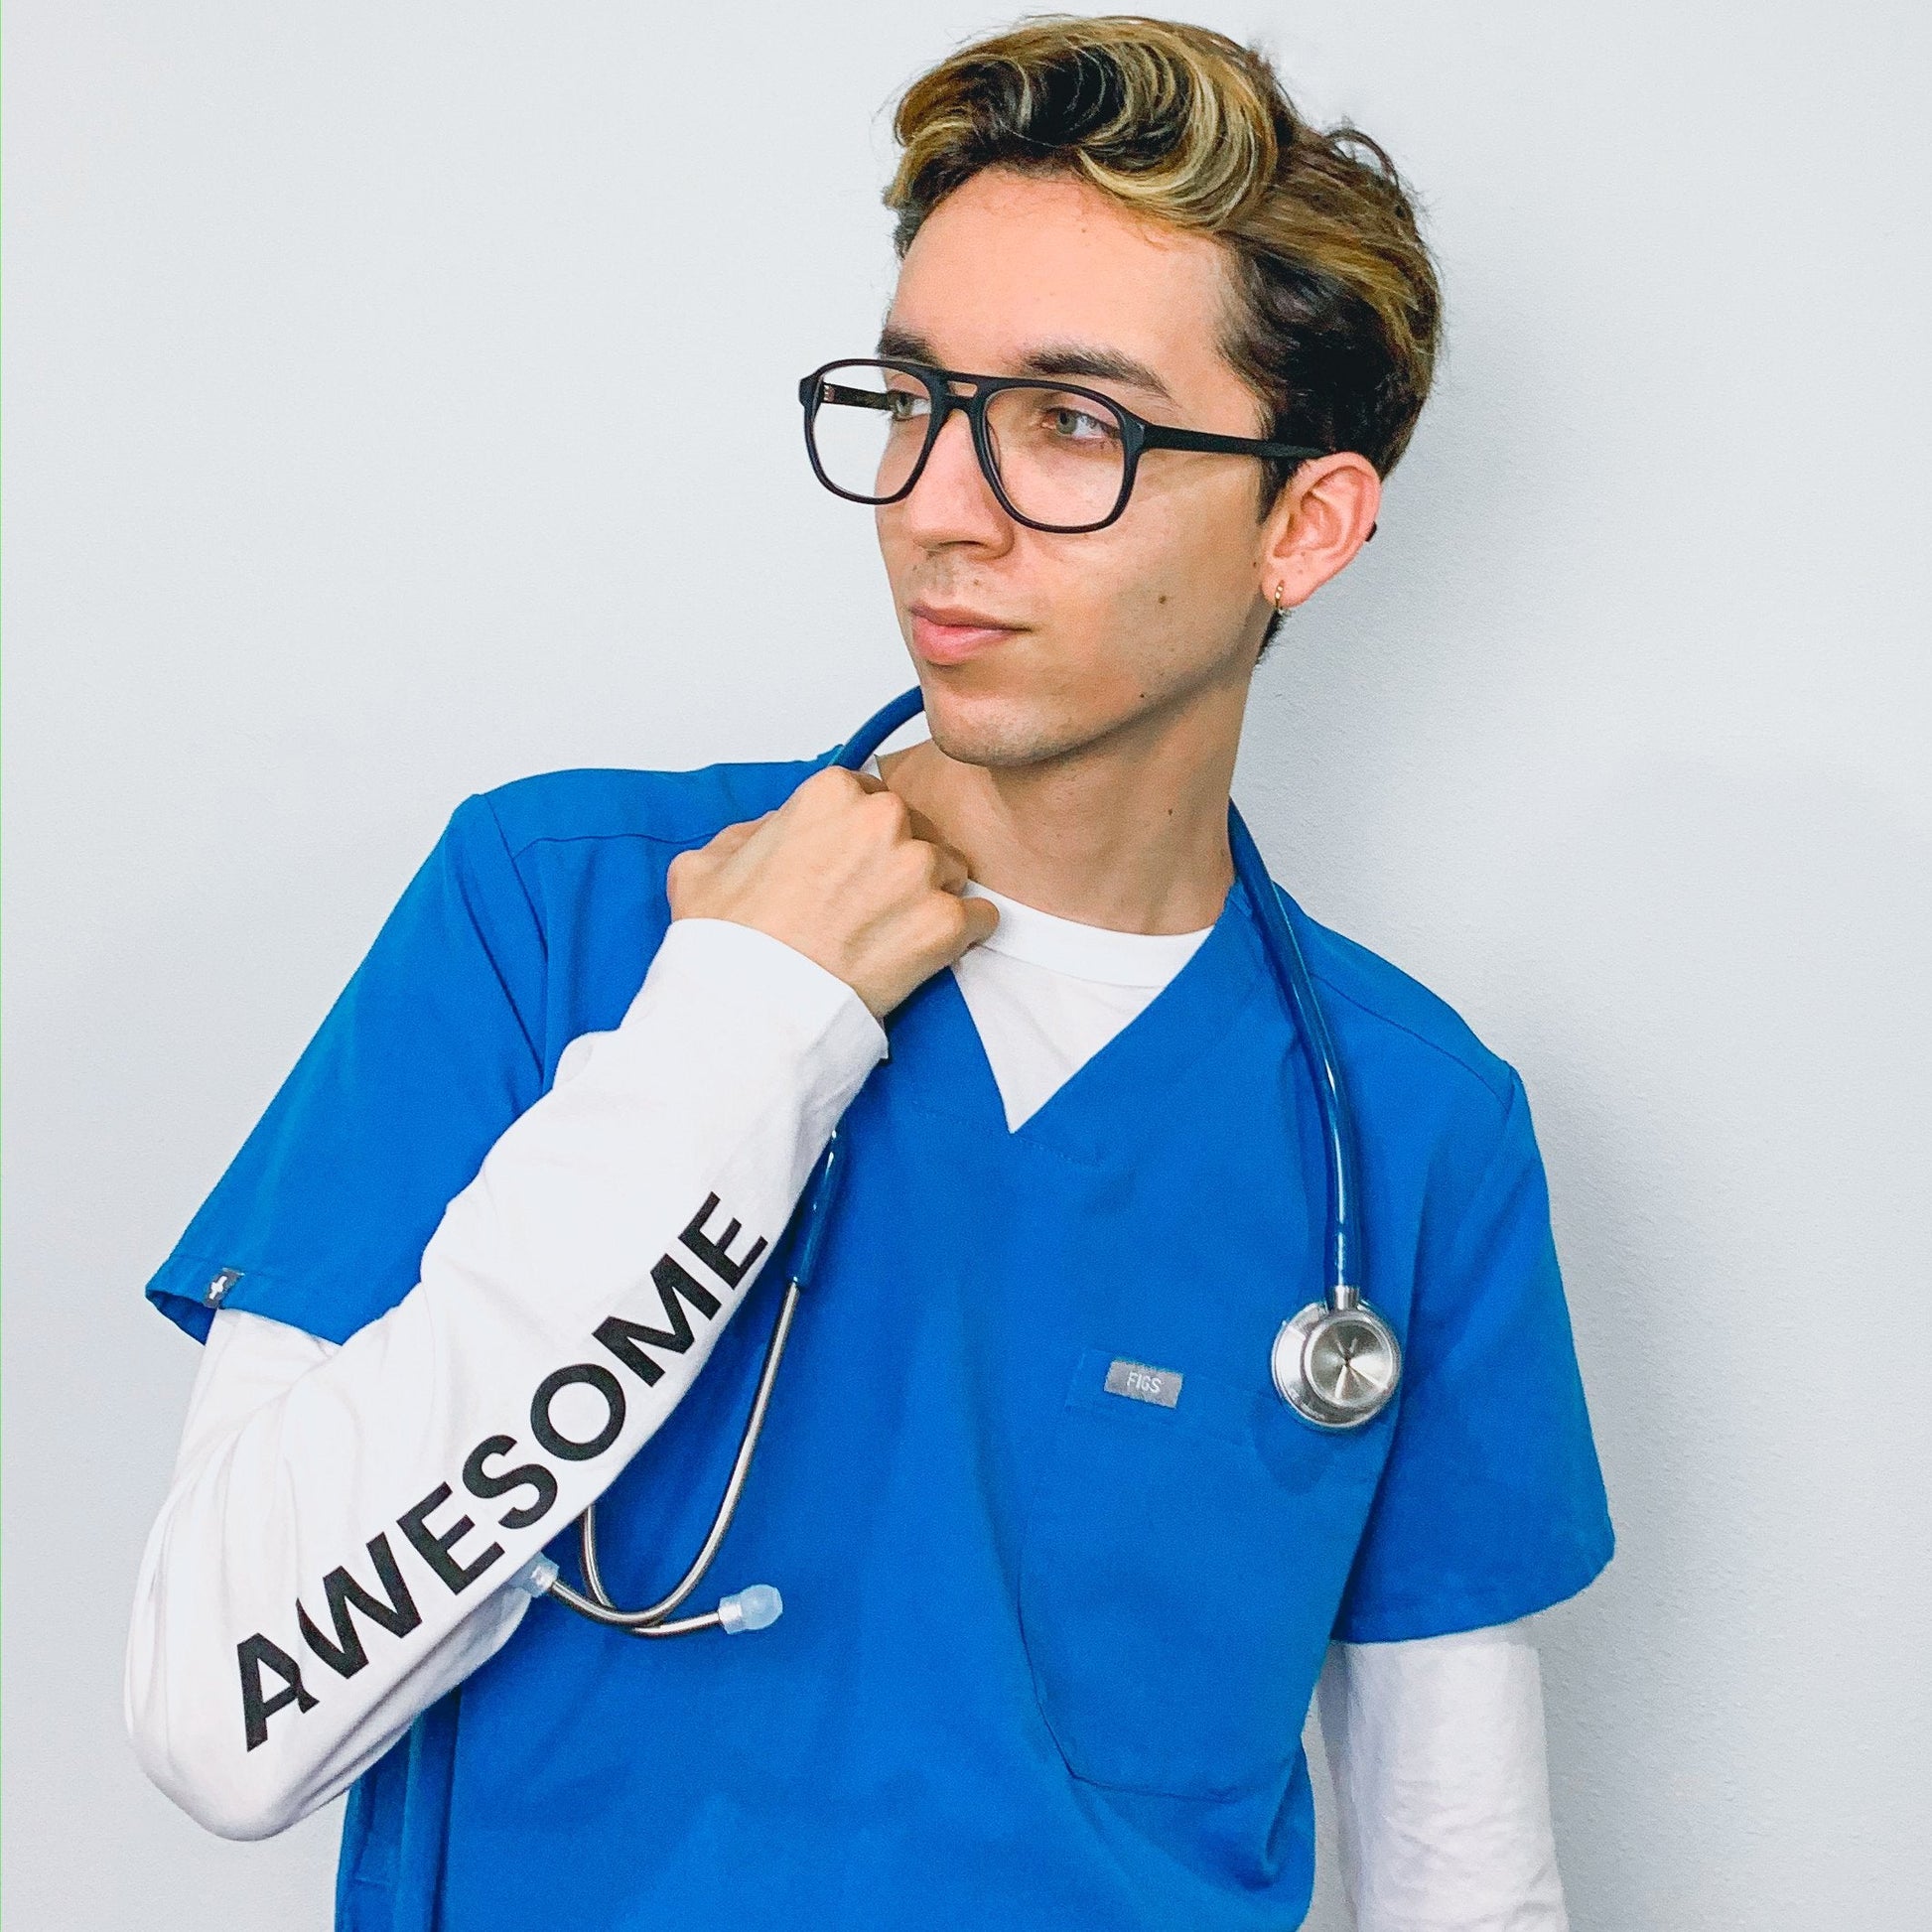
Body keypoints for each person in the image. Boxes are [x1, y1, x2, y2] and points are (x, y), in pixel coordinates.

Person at [125, 17, 1612, 1930]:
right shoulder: (563, 913)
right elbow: (225, 1711)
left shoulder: (1407, 1130)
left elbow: (1459, 1871)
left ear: (1302, 525)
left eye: (1071, 424)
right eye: (914, 399)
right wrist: (740, 1031)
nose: (937, 504)